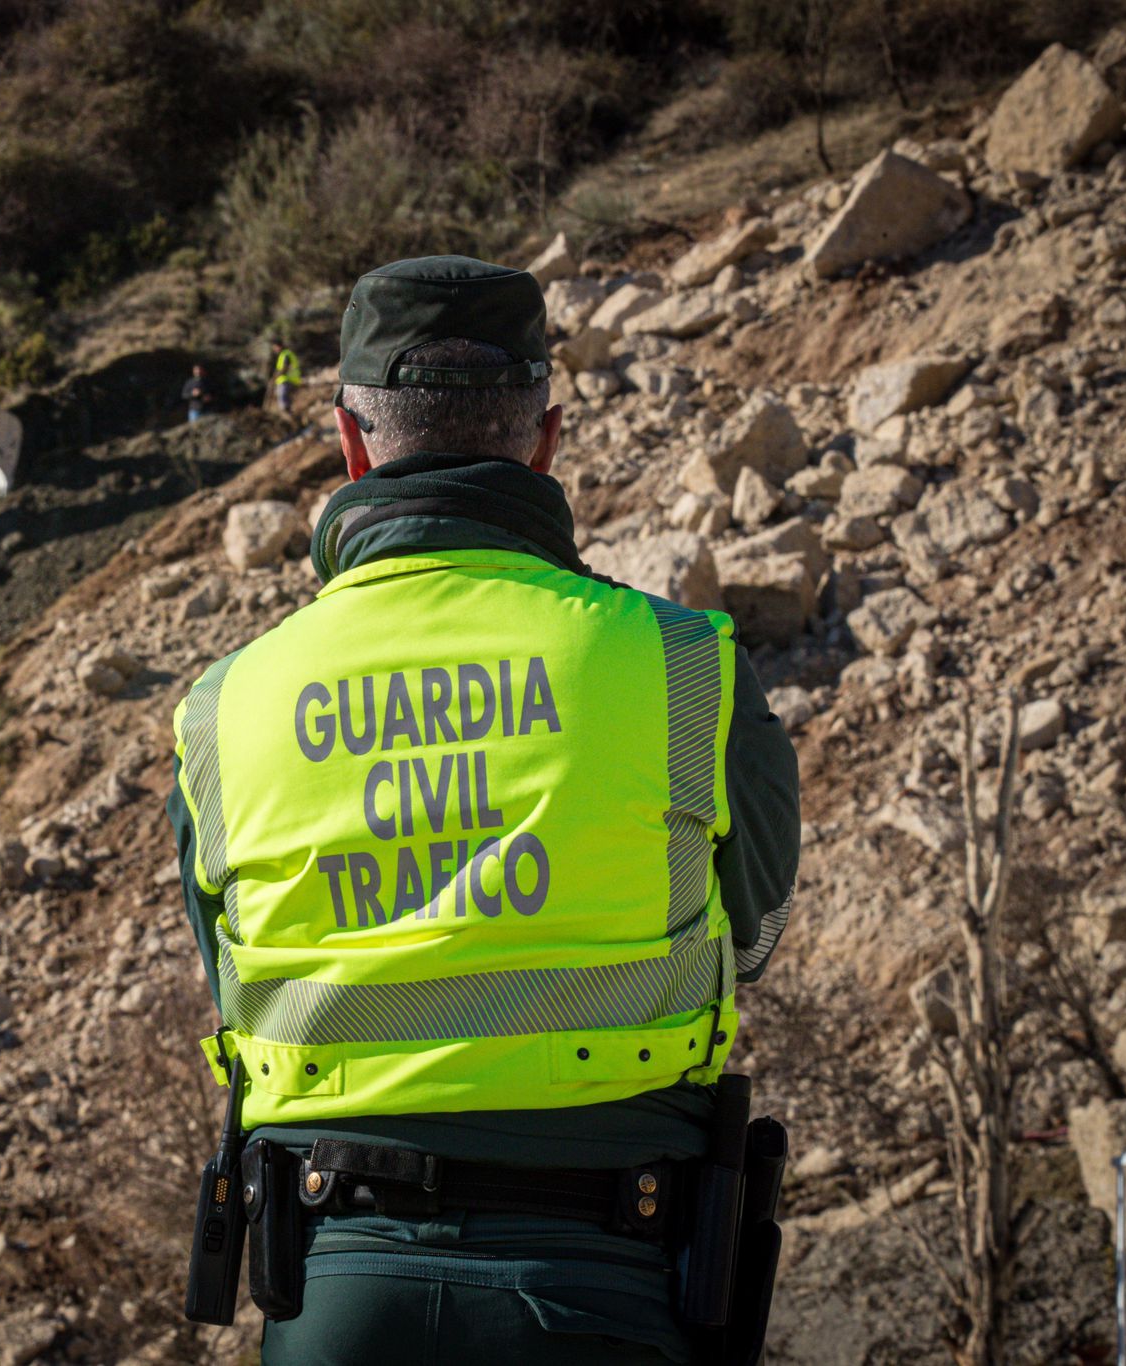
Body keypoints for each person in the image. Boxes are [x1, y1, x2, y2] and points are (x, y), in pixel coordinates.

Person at [167, 256, 800, 1364]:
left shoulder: (225, 707)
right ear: (545, 437)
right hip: (610, 1267)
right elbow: (748, 940)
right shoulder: (683, 666)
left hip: (332, 1283)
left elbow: (233, 978)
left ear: (349, 442)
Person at [270, 339, 302, 417]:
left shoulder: (285, 355)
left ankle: (286, 412)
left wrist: (276, 376)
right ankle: (289, 412)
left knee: (282, 395)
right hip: (292, 379)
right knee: (286, 398)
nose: (274, 349)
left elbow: (284, 367)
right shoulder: (286, 354)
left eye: (274, 347)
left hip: (287, 379)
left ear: (278, 346)